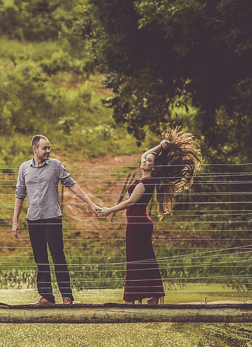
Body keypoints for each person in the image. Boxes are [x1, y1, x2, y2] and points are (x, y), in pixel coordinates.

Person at [96, 128, 201, 304]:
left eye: (149, 161)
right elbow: (145, 153)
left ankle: (138, 296)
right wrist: (160, 146)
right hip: (138, 223)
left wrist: (109, 210)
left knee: (136, 260)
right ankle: (152, 294)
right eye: (145, 160)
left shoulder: (145, 183)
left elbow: (130, 202)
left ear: (153, 167)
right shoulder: (145, 179)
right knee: (142, 259)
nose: (145, 160)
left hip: (138, 225)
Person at [13, 135, 100, 306]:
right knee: (40, 259)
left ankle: (67, 296)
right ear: (35, 149)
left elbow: (72, 185)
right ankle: (47, 297)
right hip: (33, 219)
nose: (48, 151)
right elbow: (19, 195)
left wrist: (91, 203)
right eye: (44, 148)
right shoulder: (24, 168)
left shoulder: (55, 165)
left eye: (49, 147)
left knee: (58, 257)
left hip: (52, 218)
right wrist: (15, 221)